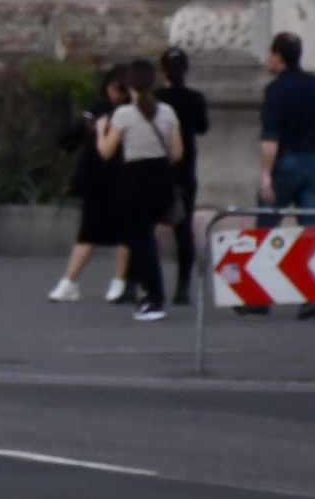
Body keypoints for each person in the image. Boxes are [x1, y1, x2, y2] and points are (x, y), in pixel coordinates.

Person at [96, 58, 184, 320]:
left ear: (129, 84)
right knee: (147, 239)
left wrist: (101, 131)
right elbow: (177, 152)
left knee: (141, 241)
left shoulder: (123, 115)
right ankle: (149, 293)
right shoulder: (167, 112)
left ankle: (154, 297)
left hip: (135, 180)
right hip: (160, 178)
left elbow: (106, 151)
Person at [258, 30, 315, 317]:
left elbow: (270, 138)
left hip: (286, 161)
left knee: (267, 226)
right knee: (312, 229)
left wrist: (266, 174)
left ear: (278, 57)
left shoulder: (276, 90)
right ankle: (313, 295)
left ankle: (258, 295)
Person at [51, 69, 133, 303]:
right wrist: (86, 126)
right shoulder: (98, 109)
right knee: (88, 232)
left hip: (122, 178)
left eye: (121, 90)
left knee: (124, 233)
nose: (115, 95)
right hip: (96, 179)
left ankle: (120, 280)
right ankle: (69, 282)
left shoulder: (129, 114)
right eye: (112, 88)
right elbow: (67, 140)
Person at [156, 47, 209, 304]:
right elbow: (202, 127)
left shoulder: (155, 99)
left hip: (157, 166)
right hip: (186, 169)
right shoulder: (195, 98)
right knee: (183, 229)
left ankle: (140, 282)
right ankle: (183, 286)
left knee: (145, 225)